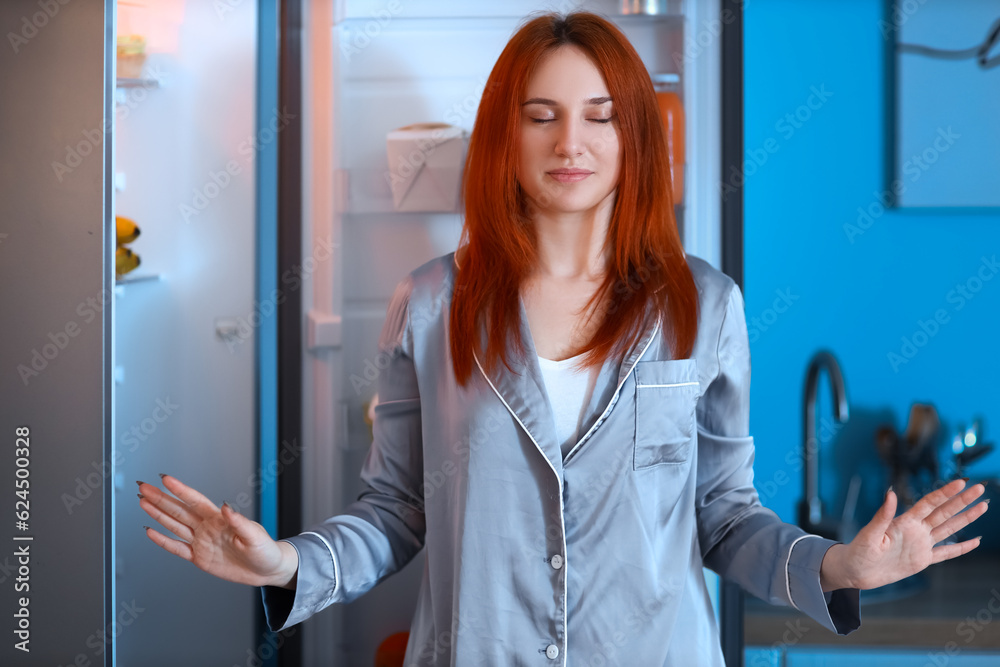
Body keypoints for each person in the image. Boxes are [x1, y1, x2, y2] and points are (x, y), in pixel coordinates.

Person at [136, 11, 988, 666]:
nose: (569, 142)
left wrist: (839, 567)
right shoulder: (432, 302)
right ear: (507, 137)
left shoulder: (705, 306)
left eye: (600, 115)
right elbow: (397, 511)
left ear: (636, 137)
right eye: (540, 115)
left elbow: (725, 519)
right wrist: (288, 561)